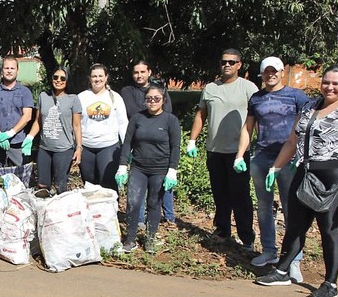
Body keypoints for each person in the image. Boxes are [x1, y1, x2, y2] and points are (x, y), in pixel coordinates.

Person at [255, 64, 338, 297]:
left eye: (336, 83)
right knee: (296, 225)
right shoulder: (309, 106)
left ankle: (330, 283)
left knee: (330, 229)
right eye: (326, 82)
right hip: (305, 171)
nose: (329, 87)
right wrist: (276, 167)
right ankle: (282, 271)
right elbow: (291, 141)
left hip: (334, 176)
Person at [234, 57, 310, 280]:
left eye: (274, 71)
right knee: (264, 207)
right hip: (262, 158)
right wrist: (240, 155)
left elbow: (307, 127)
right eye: (266, 71)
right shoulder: (257, 98)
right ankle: (269, 251)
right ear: (262, 74)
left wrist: (302, 155)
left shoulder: (296, 96)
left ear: (281, 71)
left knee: (291, 209)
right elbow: (247, 129)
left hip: (289, 160)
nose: (271, 75)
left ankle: (294, 260)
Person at [187, 49, 258, 249]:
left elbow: (257, 117)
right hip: (215, 150)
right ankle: (222, 231)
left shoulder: (248, 88)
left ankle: (247, 238)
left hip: (239, 153)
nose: (227, 65)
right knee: (220, 193)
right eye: (223, 61)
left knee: (241, 195)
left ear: (239, 65)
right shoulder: (210, 88)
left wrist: (259, 142)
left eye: (231, 62)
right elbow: (201, 115)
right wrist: (192, 140)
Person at [115, 85, 180, 253]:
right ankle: (130, 240)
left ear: (163, 100)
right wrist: (122, 165)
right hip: (138, 168)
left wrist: (172, 170)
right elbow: (127, 143)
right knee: (133, 202)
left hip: (160, 169)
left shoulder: (170, 120)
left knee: (154, 203)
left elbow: (175, 147)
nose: (152, 101)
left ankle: (150, 239)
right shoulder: (137, 118)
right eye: (149, 98)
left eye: (156, 98)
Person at [120, 60, 176, 226]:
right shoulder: (127, 91)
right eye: (136, 72)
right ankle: (140, 220)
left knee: (163, 180)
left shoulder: (161, 90)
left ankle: (169, 217)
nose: (139, 75)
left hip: (161, 141)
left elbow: (168, 113)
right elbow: (132, 112)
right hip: (139, 139)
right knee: (139, 182)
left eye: (142, 72)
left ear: (149, 72)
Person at [25, 67, 82, 194]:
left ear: (68, 80)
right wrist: (29, 137)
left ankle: (61, 212)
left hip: (63, 149)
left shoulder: (73, 99)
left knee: (60, 185)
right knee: (42, 185)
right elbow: (38, 121)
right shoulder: (43, 96)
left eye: (63, 78)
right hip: (45, 148)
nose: (58, 80)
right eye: (55, 77)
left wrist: (79, 148)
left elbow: (77, 126)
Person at [78, 63, 128, 191]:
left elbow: (123, 124)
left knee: (108, 185)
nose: (97, 79)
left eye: (101, 76)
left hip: (108, 147)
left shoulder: (115, 98)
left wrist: (128, 148)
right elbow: (76, 123)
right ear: (89, 78)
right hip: (87, 148)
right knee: (89, 185)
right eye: (94, 76)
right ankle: (93, 211)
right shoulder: (81, 97)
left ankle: (111, 210)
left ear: (106, 77)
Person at [0, 55, 34, 167]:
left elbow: (27, 116)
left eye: (12, 68)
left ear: (17, 70)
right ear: (2, 70)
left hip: (18, 142)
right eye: (6, 68)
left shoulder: (25, 92)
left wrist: (10, 133)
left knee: (20, 177)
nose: (9, 71)